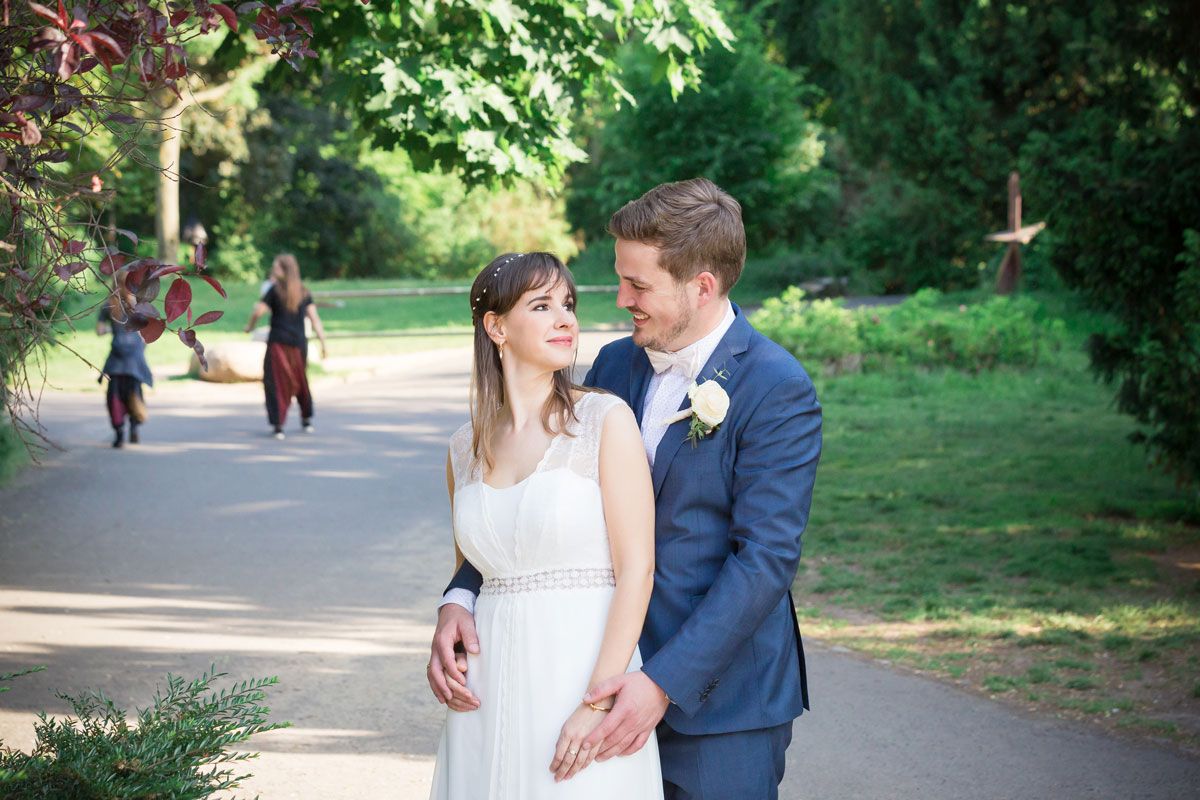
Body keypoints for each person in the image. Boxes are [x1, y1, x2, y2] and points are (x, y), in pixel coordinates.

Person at [432, 179, 822, 799]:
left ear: (701, 286)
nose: (620, 299)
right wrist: (462, 594)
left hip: (719, 705)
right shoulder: (616, 365)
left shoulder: (776, 387)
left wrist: (660, 682)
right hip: (583, 675)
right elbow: (541, 507)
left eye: (638, 285)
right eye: (620, 280)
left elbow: (765, 560)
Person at [428, 252, 663, 799]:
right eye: (542, 305)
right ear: (496, 327)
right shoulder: (464, 447)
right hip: (485, 694)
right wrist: (450, 611)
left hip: (581, 673)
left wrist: (596, 702)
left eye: (569, 304)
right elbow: (472, 567)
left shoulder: (604, 422)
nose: (565, 319)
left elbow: (638, 571)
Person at [244, 254, 327, 440]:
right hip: (298, 344)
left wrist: (249, 327)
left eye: (276, 267)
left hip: (278, 343)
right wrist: (323, 343)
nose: (273, 270)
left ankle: (278, 424)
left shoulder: (274, 291)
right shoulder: (304, 292)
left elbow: (258, 310)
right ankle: (306, 419)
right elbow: (315, 319)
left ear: (285, 269)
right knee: (299, 380)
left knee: (275, 382)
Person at [97, 294, 153, 448]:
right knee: (134, 394)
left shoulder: (108, 304)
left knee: (114, 396)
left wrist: (113, 328)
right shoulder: (140, 305)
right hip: (134, 360)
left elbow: (99, 331)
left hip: (116, 360)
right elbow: (147, 333)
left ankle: (119, 433)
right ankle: (134, 427)